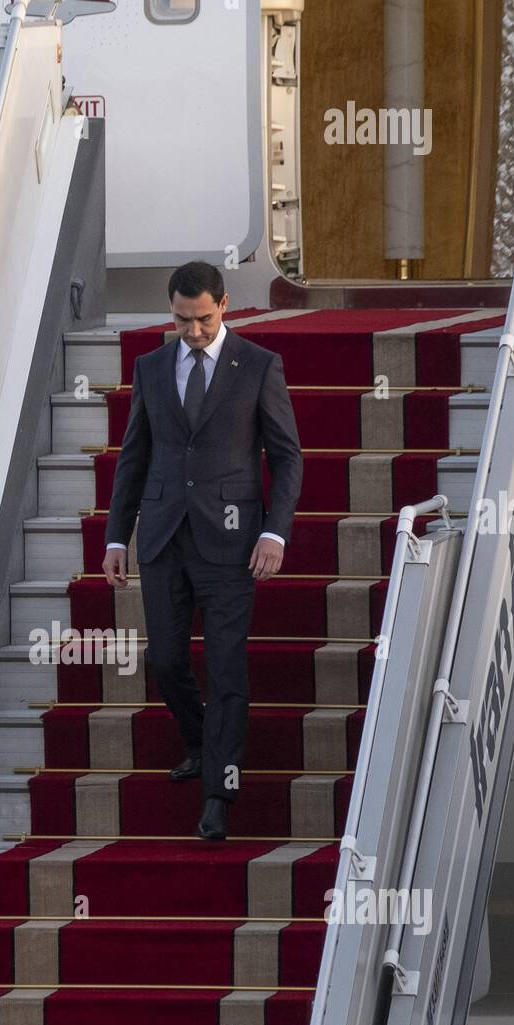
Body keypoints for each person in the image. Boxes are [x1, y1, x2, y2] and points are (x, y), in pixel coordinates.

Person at [102, 261, 303, 840]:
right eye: (182, 320)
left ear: (226, 305)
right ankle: (199, 741)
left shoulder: (259, 366)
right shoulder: (150, 367)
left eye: (204, 319)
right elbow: (134, 455)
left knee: (226, 667)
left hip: (232, 543)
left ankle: (219, 792)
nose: (192, 331)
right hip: (164, 537)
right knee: (165, 660)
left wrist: (274, 531)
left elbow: (287, 456)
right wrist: (118, 536)